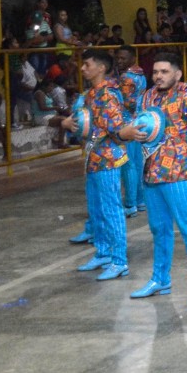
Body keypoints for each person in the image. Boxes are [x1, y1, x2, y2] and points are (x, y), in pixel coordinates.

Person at [120, 53, 187, 308]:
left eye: (164, 71)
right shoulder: (147, 97)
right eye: (155, 72)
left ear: (177, 74)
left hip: (180, 176)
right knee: (159, 229)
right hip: (151, 174)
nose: (159, 76)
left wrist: (184, 153)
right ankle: (160, 279)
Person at [60, 48, 130, 281]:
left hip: (107, 159)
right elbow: (88, 124)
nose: (82, 68)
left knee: (111, 208)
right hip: (94, 157)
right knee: (96, 207)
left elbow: (117, 129)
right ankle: (103, 252)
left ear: (101, 68)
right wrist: (72, 123)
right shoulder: (92, 94)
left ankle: (119, 260)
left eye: (87, 64)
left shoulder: (107, 95)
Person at [113, 45, 149, 217]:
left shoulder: (126, 77)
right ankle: (140, 200)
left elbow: (128, 102)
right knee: (137, 162)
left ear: (132, 58)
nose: (119, 61)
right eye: (118, 58)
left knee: (128, 164)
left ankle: (130, 203)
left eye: (123, 58)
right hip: (139, 120)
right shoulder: (140, 74)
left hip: (127, 123)